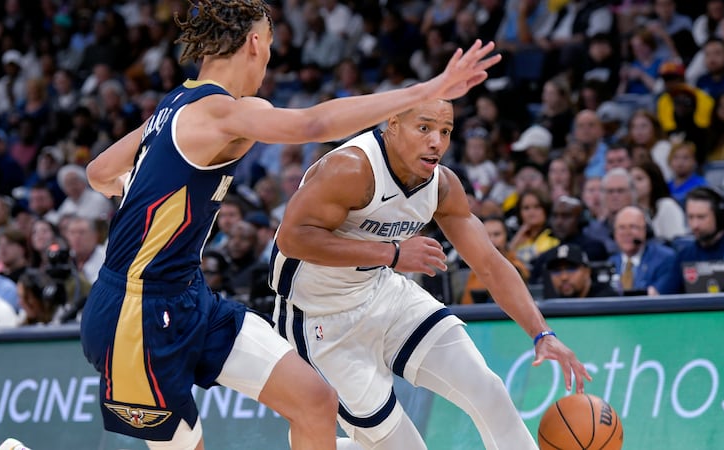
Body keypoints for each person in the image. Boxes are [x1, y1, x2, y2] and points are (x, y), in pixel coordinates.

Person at [79, 0, 502, 448]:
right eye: (270, 44)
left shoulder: (175, 105)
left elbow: (99, 172)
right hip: (135, 313)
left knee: (315, 400)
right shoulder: (219, 112)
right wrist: (427, 90)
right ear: (255, 44)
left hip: (189, 296)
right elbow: (314, 123)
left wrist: (147, 196)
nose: (269, 57)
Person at [270, 99, 590, 449]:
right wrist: (391, 254)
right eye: (424, 128)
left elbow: (490, 264)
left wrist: (541, 333)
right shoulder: (352, 168)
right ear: (393, 124)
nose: (436, 142)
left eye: (445, 131)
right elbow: (292, 239)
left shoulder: (441, 186)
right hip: (319, 317)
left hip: (382, 293)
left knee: (486, 389)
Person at [676, 186, 724, 290]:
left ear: (719, 216)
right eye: (691, 217)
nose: (695, 225)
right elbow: (665, 295)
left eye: (701, 217)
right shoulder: (684, 256)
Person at [608, 206, 681, 296]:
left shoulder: (665, 259)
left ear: (646, 230)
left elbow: (657, 297)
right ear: (613, 233)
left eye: (633, 227)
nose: (627, 233)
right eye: (621, 227)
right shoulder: (610, 263)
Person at [542, 243, 618, 299]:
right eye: (556, 271)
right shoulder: (548, 304)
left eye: (571, 269)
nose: (564, 277)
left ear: (587, 272)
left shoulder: (606, 300)